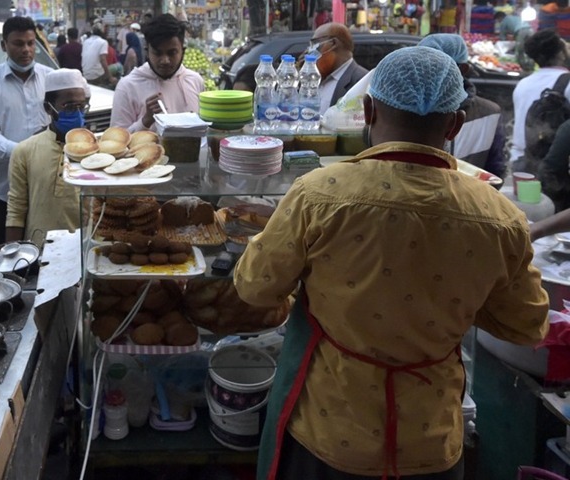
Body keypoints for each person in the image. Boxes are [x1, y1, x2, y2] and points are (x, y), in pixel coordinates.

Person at [234, 46, 549, 480]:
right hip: (431, 440)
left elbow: (253, 286)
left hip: (330, 429)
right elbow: (527, 325)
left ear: (367, 110)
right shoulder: (500, 217)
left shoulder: (319, 193)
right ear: (456, 123)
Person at [0, 16, 53, 248]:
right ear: (4, 45)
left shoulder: (50, 77)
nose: (26, 50)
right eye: (19, 44)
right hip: (5, 188)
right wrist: (23, 152)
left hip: (45, 185)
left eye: (31, 43)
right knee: (7, 255)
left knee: (45, 252)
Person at [6, 69, 87, 246]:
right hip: (39, 250)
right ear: (47, 108)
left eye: (82, 106)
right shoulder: (24, 151)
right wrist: (14, 258)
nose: (78, 114)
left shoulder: (97, 153)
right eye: (70, 107)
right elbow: (16, 210)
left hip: (85, 249)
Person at [419, 34, 507, 180]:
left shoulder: (489, 114)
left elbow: (495, 173)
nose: (429, 73)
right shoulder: (408, 110)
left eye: (439, 67)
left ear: (463, 69)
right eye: (424, 65)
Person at [111, 14, 204, 133]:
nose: (165, 60)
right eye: (157, 53)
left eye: (172, 53)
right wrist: (145, 121)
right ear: (147, 52)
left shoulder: (195, 81)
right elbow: (116, 141)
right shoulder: (127, 86)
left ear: (183, 51)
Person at [510, 28, 570, 171]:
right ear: (561, 54)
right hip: (554, 166)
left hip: (521, 162)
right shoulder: (567, 83)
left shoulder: (523, 84)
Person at [299, 22, 368, 115]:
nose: (310, 50)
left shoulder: (361, 81)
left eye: (315, 43)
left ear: (333, 43)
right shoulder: (318, 76)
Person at [82, 21, 117, 89]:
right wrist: (110, 77)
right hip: (97, 75)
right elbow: (103, 60)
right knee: (118, 67)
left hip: (86, 74)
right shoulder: (103, 42)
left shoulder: (86, 42)